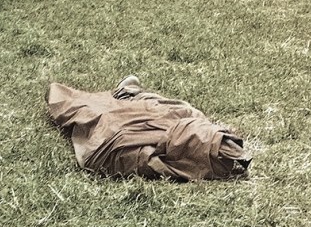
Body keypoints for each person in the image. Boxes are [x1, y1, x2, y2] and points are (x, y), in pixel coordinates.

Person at [47, 75, 252, 181]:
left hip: (129, 131)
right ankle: (127, 94)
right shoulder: (192, 117)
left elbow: (115, 156)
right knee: (161, 108)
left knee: (102, 117)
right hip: (157, 118)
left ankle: (126, 95)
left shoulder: (166, 159)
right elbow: (171, 107)